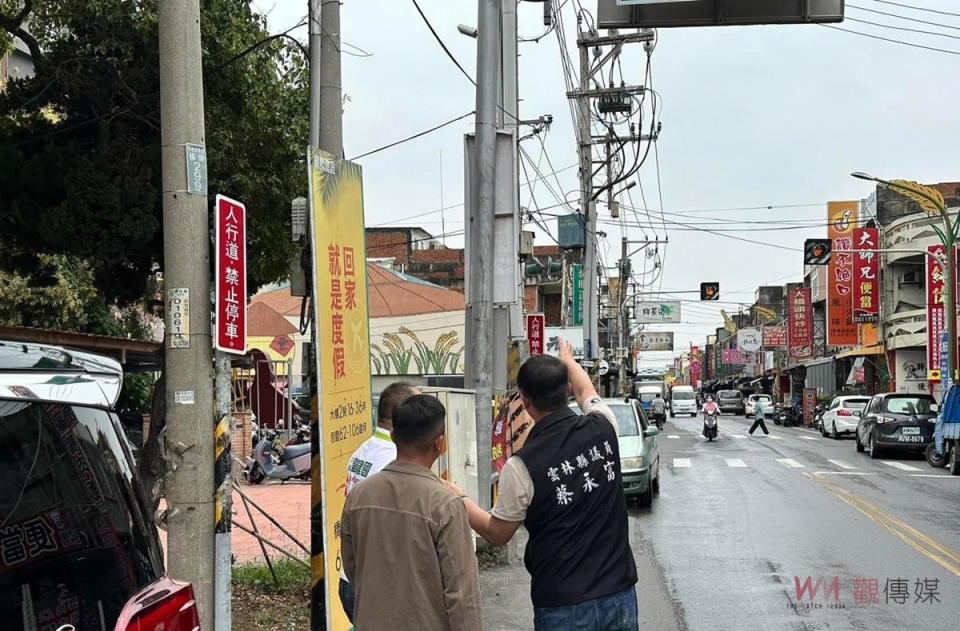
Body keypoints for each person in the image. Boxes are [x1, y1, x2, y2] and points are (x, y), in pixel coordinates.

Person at [450, 340, 639, 631]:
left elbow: (497, 533)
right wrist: (569, 360)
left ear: (524, 401)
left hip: (562, 605)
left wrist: (459, 497)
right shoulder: (604, 426)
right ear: (566, 392)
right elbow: (586, 389)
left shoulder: (522, 465)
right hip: (620, 595)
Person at [340, 394, 482, 631]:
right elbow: (461, 592)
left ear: (393, 436)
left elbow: (352, 565)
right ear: (441, 443)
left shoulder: (360, 495)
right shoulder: (444, 503)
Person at [338, 382, 419, 622]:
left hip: (351, 577)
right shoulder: (394, 458)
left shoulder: (363, 451)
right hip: (377, 586)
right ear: (403, 415)